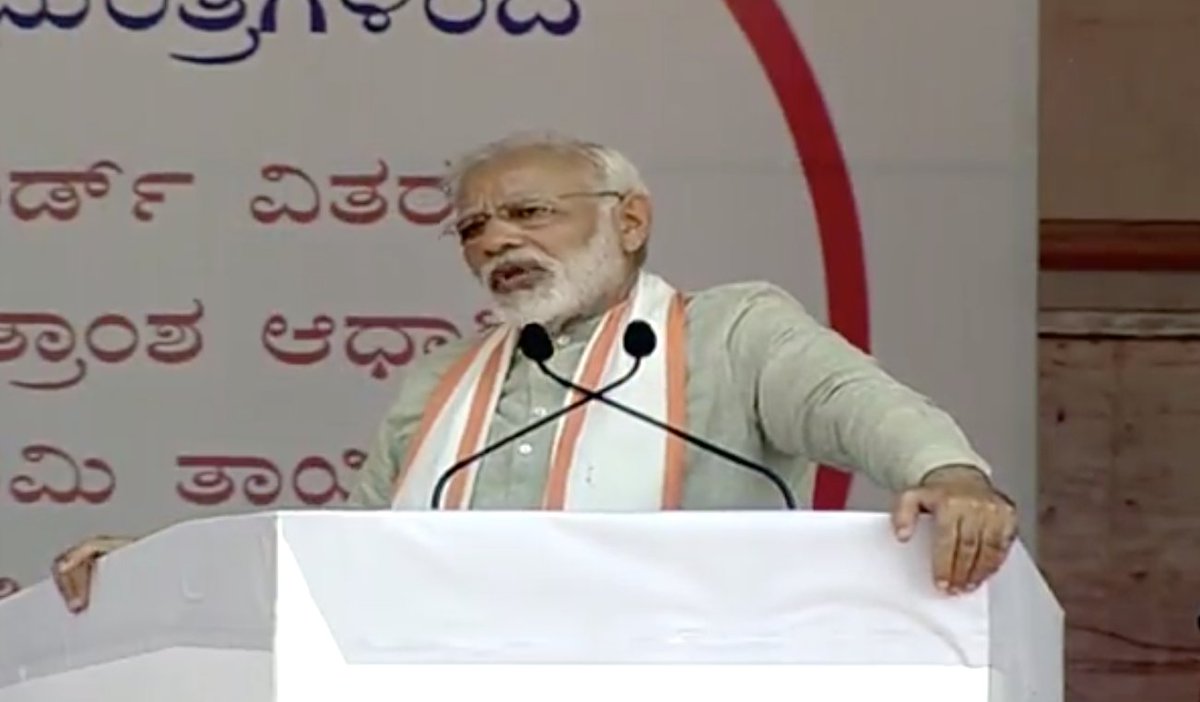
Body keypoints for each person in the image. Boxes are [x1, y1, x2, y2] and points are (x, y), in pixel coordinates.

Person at [51, 132, 1018, 613]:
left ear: (628, 221)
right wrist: (159, 574)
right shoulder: (442, 380)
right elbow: (348, 551)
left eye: (528, 214)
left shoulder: (732, 332)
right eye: (473, 227)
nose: (495, 241)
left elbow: (855, 405)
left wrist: (948, 474)